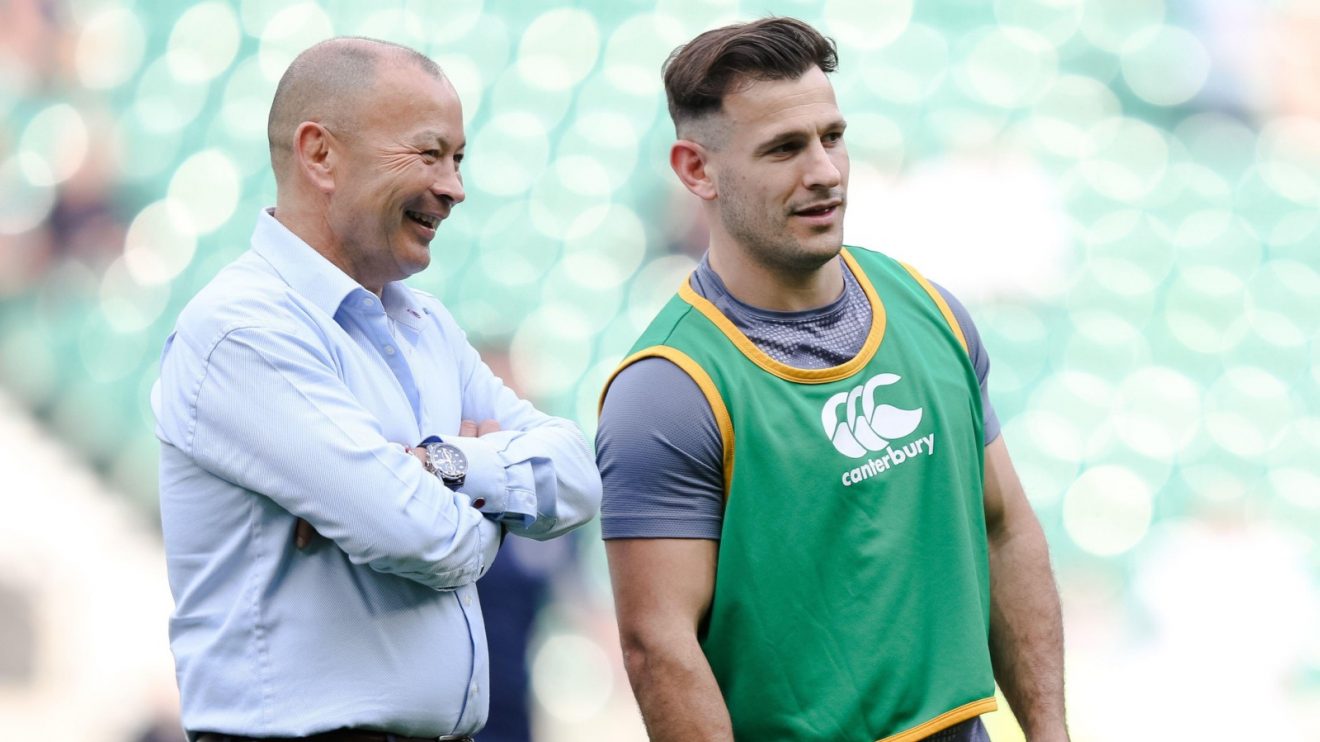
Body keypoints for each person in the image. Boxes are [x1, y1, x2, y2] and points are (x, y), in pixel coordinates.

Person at [597, 17, 1069, 742]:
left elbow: (1004, 529)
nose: (822, 171)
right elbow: (659, 649)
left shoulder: (931, 310)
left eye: (832, 137)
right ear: (697, 170)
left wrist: (1049, 733)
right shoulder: (667, 389)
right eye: (784, 148)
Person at [153, 37, 601, 742]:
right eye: (430, 154)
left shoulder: (427, 326)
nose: (455, 186)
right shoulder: (240, 331)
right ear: (320, 154)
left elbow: (577, 477)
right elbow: (426, 540)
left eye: (459, 159)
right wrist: (493, 502)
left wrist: (439, 465)